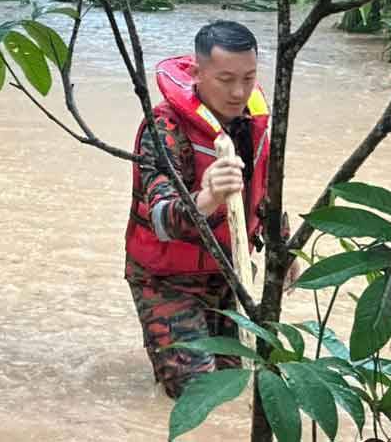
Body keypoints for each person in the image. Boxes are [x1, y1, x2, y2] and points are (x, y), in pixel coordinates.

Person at [125, 20, 295, 398]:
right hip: (166, 278)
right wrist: (207, 197)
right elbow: (160, 217)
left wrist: (284, 249)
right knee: (198, 393)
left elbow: (264, 194)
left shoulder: (252, 121)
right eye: (225, 79)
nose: (239, 92)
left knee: (236, 387)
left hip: (228, 272)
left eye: (248, 78)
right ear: (198, 73)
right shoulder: (164, 127)